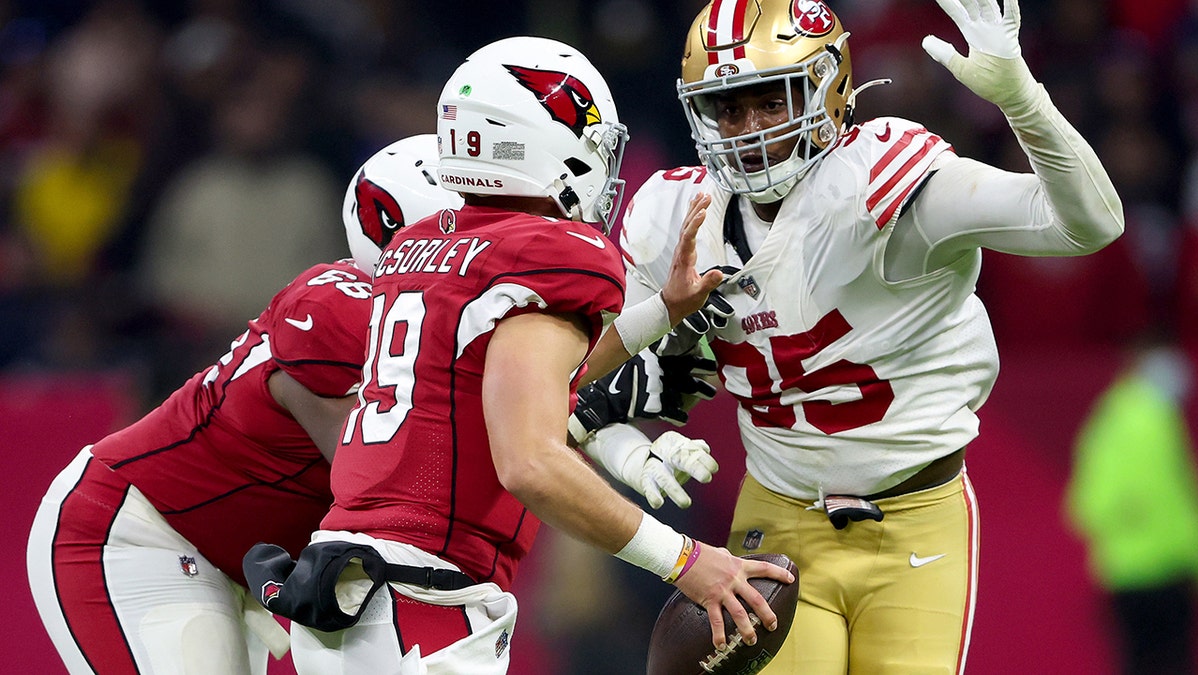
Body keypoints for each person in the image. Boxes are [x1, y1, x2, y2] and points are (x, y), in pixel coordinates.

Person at [599, 0, 1126, 672]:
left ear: (827, 88)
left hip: (917, 514)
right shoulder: (677, 214)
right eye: (728, 108)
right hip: (780, 516)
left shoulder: (885, 181)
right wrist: (632, 443)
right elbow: (577, 384)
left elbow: (1089, 223)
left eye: (769, 100)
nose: (749, 129)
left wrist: (1021, 97)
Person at [247, 36, 793, 675]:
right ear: (537, 138)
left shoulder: (424, 243)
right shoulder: (549, 252)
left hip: (354, 586)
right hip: (420, 598)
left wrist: (661, 313)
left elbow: (516, 382)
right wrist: (687, 561)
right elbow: (530, 461)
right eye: (589, 135)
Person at [25, 134, 463, 675]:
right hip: (142, 534)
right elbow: (382, 481)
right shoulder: (340, 311)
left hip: (229, 557)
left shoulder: (425, 327)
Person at [1066, 341, 1198, 675]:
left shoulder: (1108, 417)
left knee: (1137, 662)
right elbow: (1173, 497)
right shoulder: (1154, 418)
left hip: (1123, 568)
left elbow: (1086, 503)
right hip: (1167, 566)